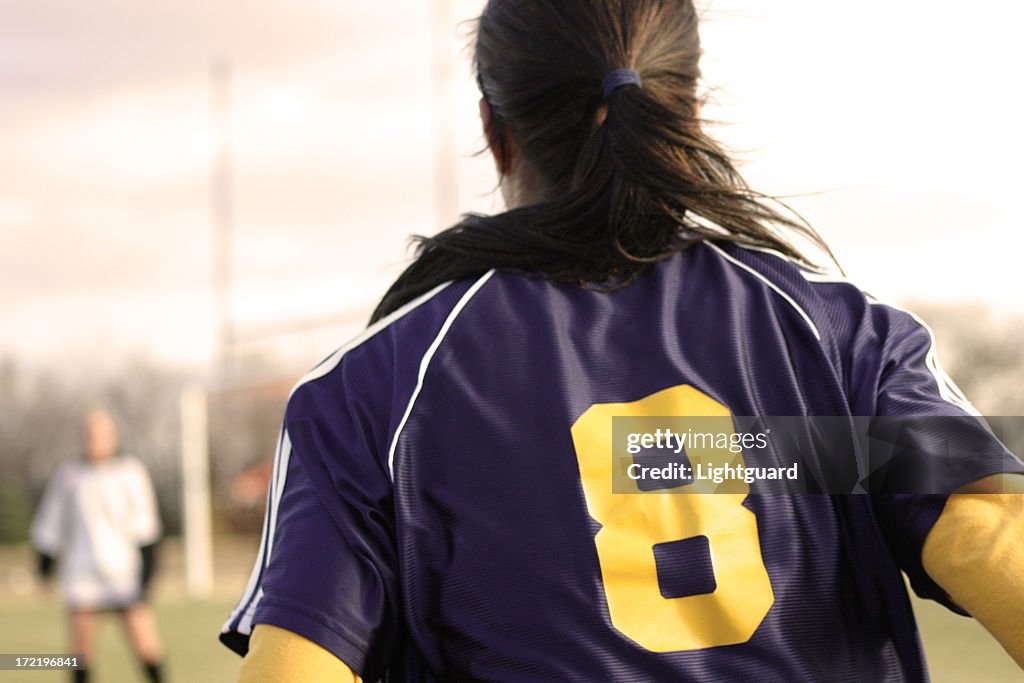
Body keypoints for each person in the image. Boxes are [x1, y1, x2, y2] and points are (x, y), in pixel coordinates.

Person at [221, 0, 1024, 680]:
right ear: (692, 113)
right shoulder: (840, 335)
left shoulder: (371, 392)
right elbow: (988, 539)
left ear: (494, 130)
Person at [31, 408, 166, 683]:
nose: (95, 441)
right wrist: (45, 563)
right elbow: (51, 522)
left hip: (122, 570)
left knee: (145, 642)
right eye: (90, 436)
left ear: (112, 437)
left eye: (101, 436)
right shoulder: (68, 475)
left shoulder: (130, 472)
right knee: (80, 650)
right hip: (82, 569)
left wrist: (148, 571)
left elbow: (146, 523)